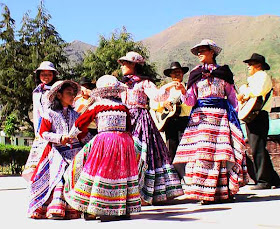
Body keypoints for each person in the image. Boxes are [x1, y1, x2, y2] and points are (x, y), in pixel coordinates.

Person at [173, 39, 248, 204]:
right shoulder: (195, 74)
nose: (199, 53)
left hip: (220, 117)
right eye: (198, 51)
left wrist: (236, 118)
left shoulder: (223, 73)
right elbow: (191, 101)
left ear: (212, 52)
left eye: (203, 50)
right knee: (202, 154)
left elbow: (232, 98)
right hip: (201, 119)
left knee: (221, 154)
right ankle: (203, 192)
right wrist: (184, 90)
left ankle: (223, 192)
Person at [63, 75, 141, 221]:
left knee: (97, 170)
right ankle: (121, 208)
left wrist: (70, 136)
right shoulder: (123, 107)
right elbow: (129, 127)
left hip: (105, 141)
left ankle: (95, 207)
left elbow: (80, 123)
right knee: (120, 173)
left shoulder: (97, 106)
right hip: (124, 142)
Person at [118, 51, 184, 205]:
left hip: (141, 120)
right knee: (128, 156)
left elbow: (158, 97)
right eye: (122, 63)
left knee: (144, 154)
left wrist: (167, 86)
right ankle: (130, 194)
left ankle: (147, 193)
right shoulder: (121, 85)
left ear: (134, 65)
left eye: (126, 63)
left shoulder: (144, 83)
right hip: (126, 121)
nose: (122, 66)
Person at [28, 80, 90, 219]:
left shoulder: (76, 115)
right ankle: (55, 207)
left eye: (73, 93)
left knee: (74, 175)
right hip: (56, 151)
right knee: (59, 174)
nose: (72, 95)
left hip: (74, 151)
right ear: (59, 95)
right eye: (69, 93)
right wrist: (60, 138)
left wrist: (95, 142)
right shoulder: (49, 114)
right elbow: (43, 133)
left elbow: (83, 133)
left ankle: (72, 208)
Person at [237, 53, 280, 190]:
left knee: (258, 147)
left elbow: (258, 91)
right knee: (258, 147)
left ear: (259, 65)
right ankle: (274, 179)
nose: (248, 66)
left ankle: (263, 180)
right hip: (254, 115)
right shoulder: (252, 80)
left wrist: (246, 93)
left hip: (259, 115)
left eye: (251, 64)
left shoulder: (262, 76)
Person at [22, 61, 59, 182]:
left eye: (49, 74)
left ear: (53, 75)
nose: (46, 77)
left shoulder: (58, 89)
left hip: (56, 125)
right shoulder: (37, 92)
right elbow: (37, 112)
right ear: (39, 76)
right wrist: (37, 131)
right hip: (42, 125)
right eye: (43, 74)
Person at [150, 62, 192, 162]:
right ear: (170, 75)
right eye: (174, 72)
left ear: (183, 73)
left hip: (185, 121)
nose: (177, 74)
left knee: (187, 148)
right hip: (169, 122)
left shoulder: (188, 88)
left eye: (179, 72)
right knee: (171, 149)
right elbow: (153, 104)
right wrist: (163, 103)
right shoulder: (165, 89)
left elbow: (191, 103)